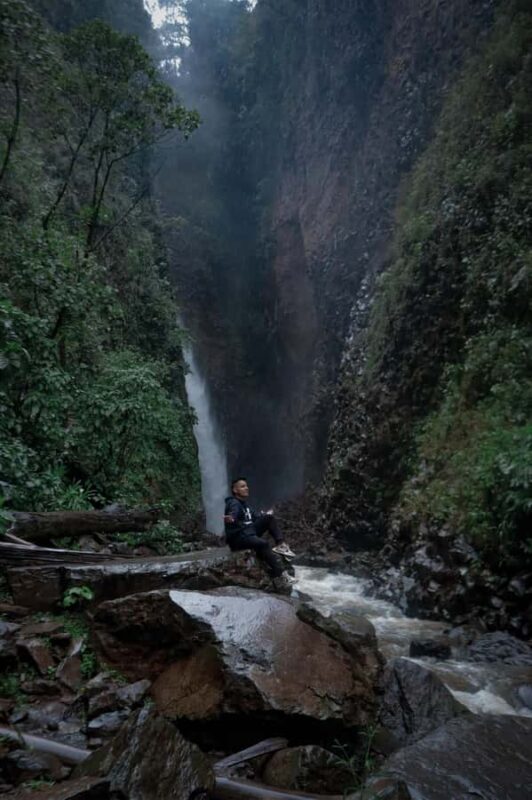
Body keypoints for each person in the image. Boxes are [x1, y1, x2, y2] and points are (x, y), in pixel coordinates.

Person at [224, 477, 296, 586]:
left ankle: (281, 545)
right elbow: (233, 514)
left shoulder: (245, 504)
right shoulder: (233, 503)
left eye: (246, 486)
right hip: (238, 538)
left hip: (248, 533)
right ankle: (281, 575)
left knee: (269, 518)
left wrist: (265, 514)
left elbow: (256, 517)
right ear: (235, 490)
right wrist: (231, 518)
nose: (246, 488)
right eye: (243, 486)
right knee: (263, 544)